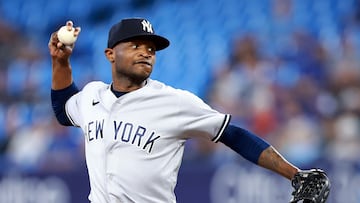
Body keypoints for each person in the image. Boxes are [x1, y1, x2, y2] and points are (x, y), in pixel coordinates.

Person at [48, 18, 329, 203]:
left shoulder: (174, 101)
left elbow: (233, 134)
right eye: (135, 45)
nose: (145, 52)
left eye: (151, 49)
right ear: (110, 54)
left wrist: (294, 174)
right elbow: (64, 111)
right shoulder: (91, 96)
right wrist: (60, 63)